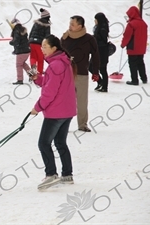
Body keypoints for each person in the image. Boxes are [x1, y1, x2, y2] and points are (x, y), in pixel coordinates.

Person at [30, 34, 77, 190]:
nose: (42, 49)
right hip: (66, 110)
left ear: (54, 48)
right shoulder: (62, 62)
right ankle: (67, 174)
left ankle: (51, 175)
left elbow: (50, 92)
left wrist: (37, 107)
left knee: (44, 143)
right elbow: (50, 82)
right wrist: (38, 79)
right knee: (60, 142)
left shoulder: (56, 65)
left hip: (56, 112)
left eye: (45, 46)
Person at [61, 15, 100, 132]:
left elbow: (96, 55)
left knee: (82, 101)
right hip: (66, 74)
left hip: (81, 73)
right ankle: (61, 124)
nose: (70, 26)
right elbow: (58, 54)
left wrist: (95, 71)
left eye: (72, 24)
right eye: (70, 23)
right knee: (65, 100)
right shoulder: (65, 38)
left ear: (80, 26)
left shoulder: (89, 39)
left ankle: (82, 124)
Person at [121, 6, 148, 85]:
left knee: (132, 64)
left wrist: (123, 44)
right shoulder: (143, 23)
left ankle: (134, 80)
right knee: (141, 63)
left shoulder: (131, 24)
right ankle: (144, 78)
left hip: (133, 47)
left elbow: (127, 36)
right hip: (141, 47)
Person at [91, 12, 110, 92]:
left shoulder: (102, 28)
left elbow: (103, 39)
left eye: (95, 19)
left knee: (102, 69)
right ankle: (101, 82)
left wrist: (94, 38)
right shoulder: (99, 27)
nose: (95, 21)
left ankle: (104, 85)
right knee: (92, 67)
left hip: (101, 51)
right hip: (98, 50)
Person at [28, 8, 51, 76]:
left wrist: (29, 41)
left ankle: (33, 67)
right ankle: (39, 73)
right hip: (40, 44)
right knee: (40, 59)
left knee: (33, 57)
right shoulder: (47, 25)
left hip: (32, 42)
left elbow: (31, 32)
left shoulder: (36, 23)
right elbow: (47, 36)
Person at [9, 18, 31, 85]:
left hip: (21, 51)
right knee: (23, 63)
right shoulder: (23, 30)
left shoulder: (16, 31)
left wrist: (11, 42)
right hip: (27, 50)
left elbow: (17, 41)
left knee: (19, 65)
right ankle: (32, 75)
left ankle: (20, 80)